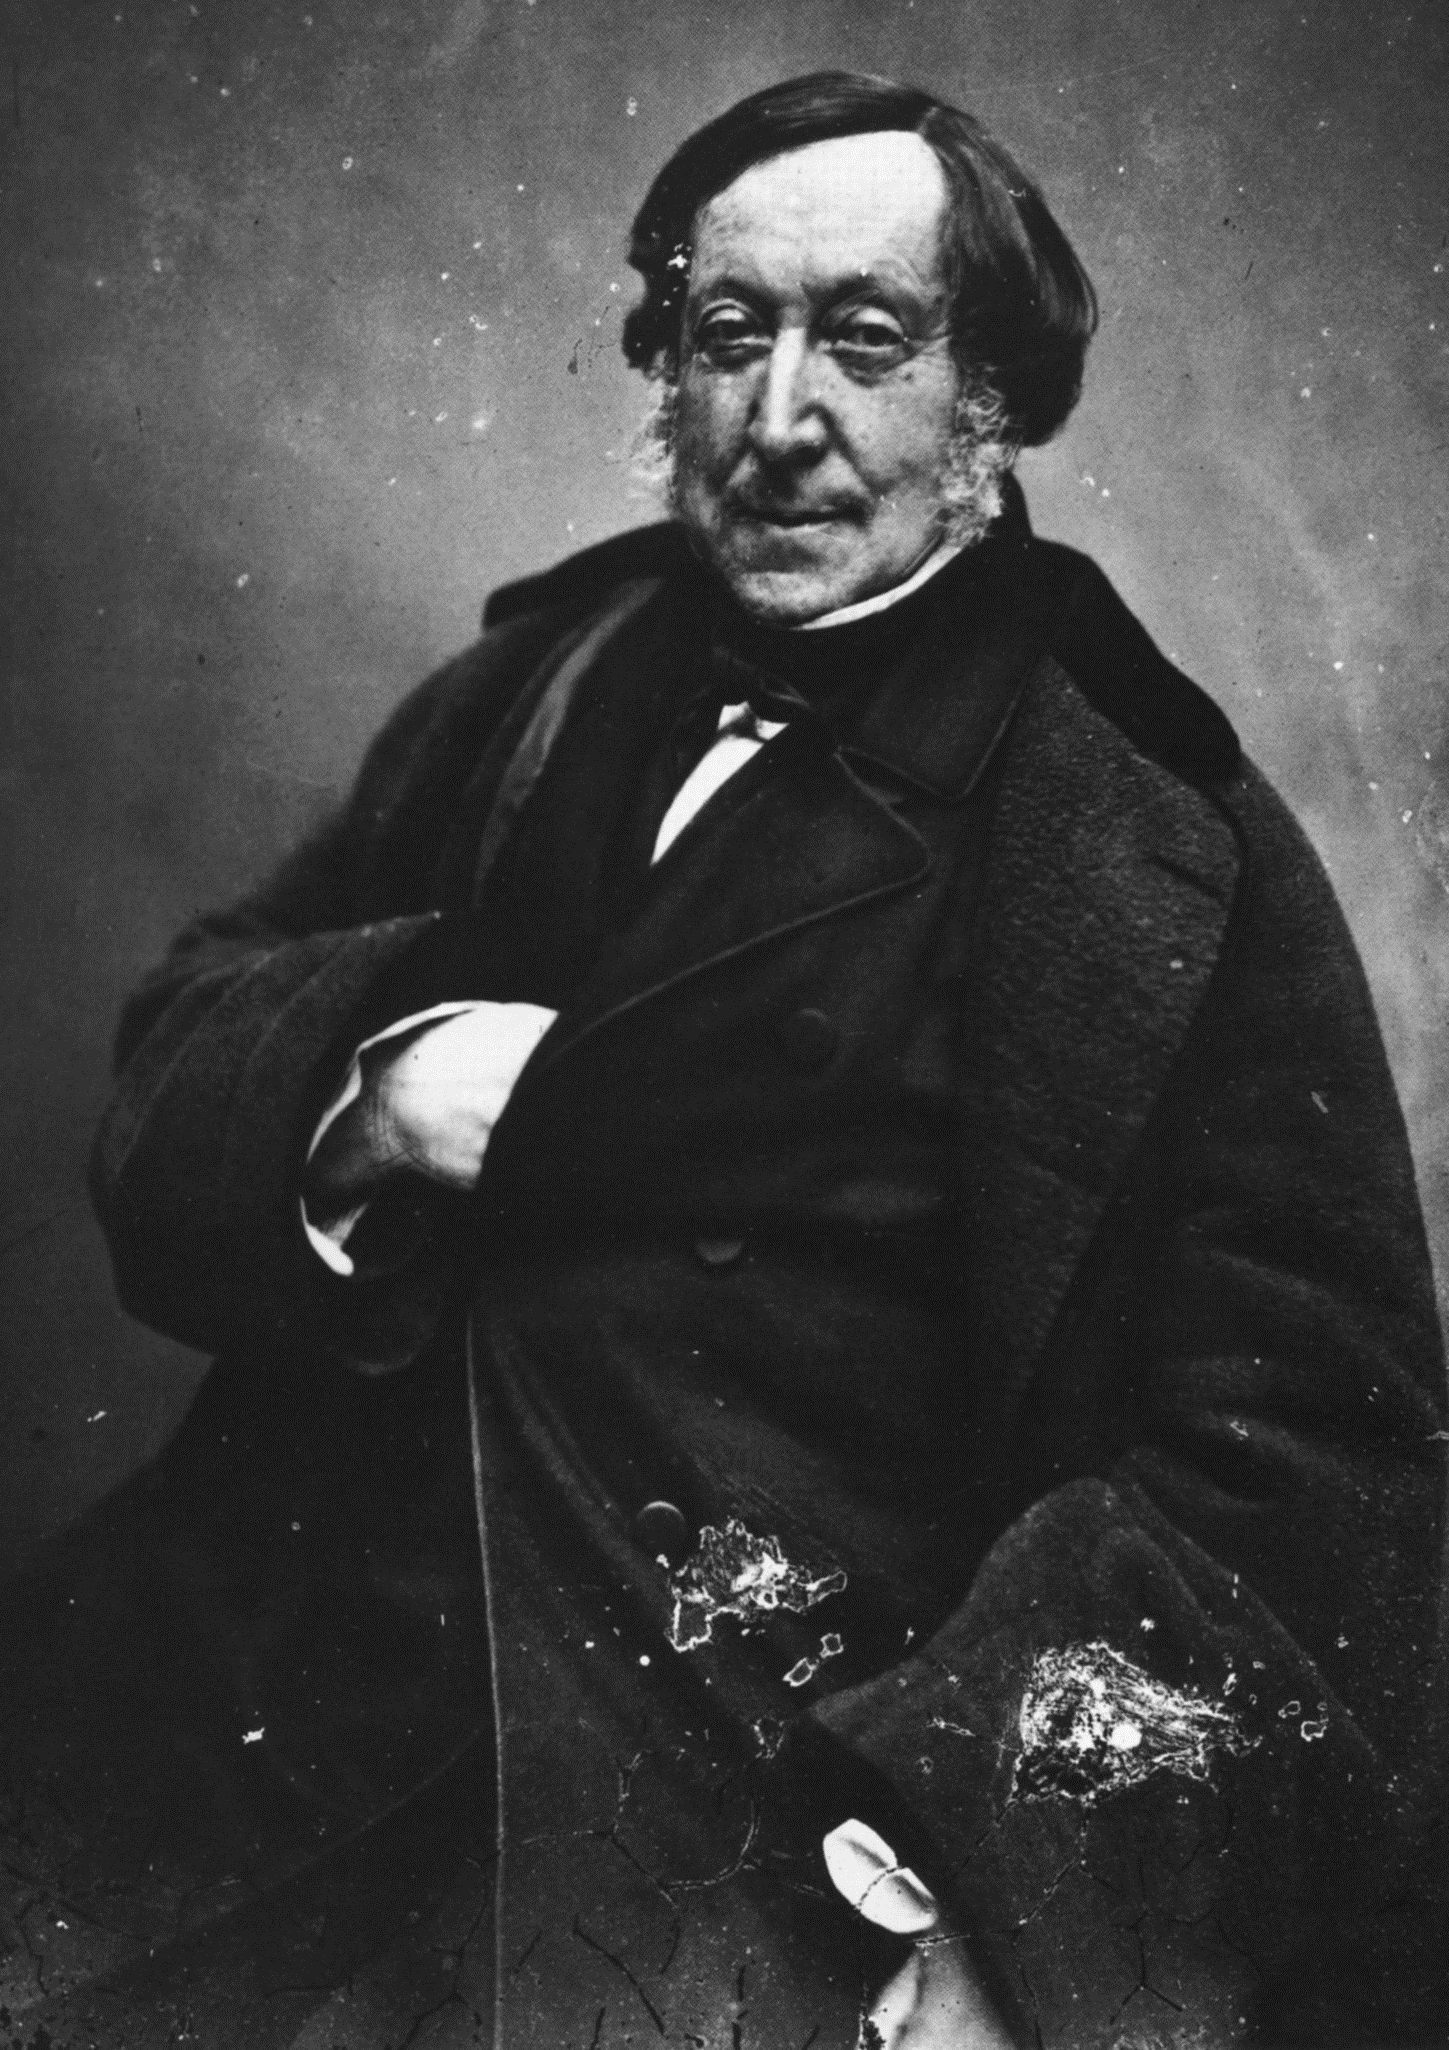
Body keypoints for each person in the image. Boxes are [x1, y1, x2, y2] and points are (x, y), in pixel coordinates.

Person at [10, 69, 1446, 2050]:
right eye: (725, 334)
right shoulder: (543, 679)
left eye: (862, 341)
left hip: (747, 1806)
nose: (779, 419)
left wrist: (1005, 1895)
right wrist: (374, 1091)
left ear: (989, 399)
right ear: (662, 373)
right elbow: (185, 1029)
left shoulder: (1138, 832)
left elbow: (1308, 1456)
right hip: (285, 1701)